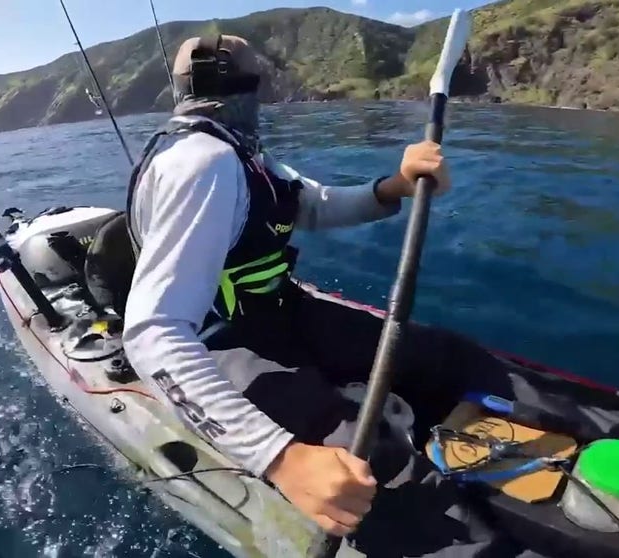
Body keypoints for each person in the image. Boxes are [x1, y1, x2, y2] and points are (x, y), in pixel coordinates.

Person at [119, 34, 537, 557]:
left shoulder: (239, 151)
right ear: (245, 87)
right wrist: (283, 459)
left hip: (284, 314)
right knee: (371, 468)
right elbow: (152, 332)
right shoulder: (202, 163)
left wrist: (395, 186)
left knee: (445, 356)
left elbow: (311, 205)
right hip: (225, 344)